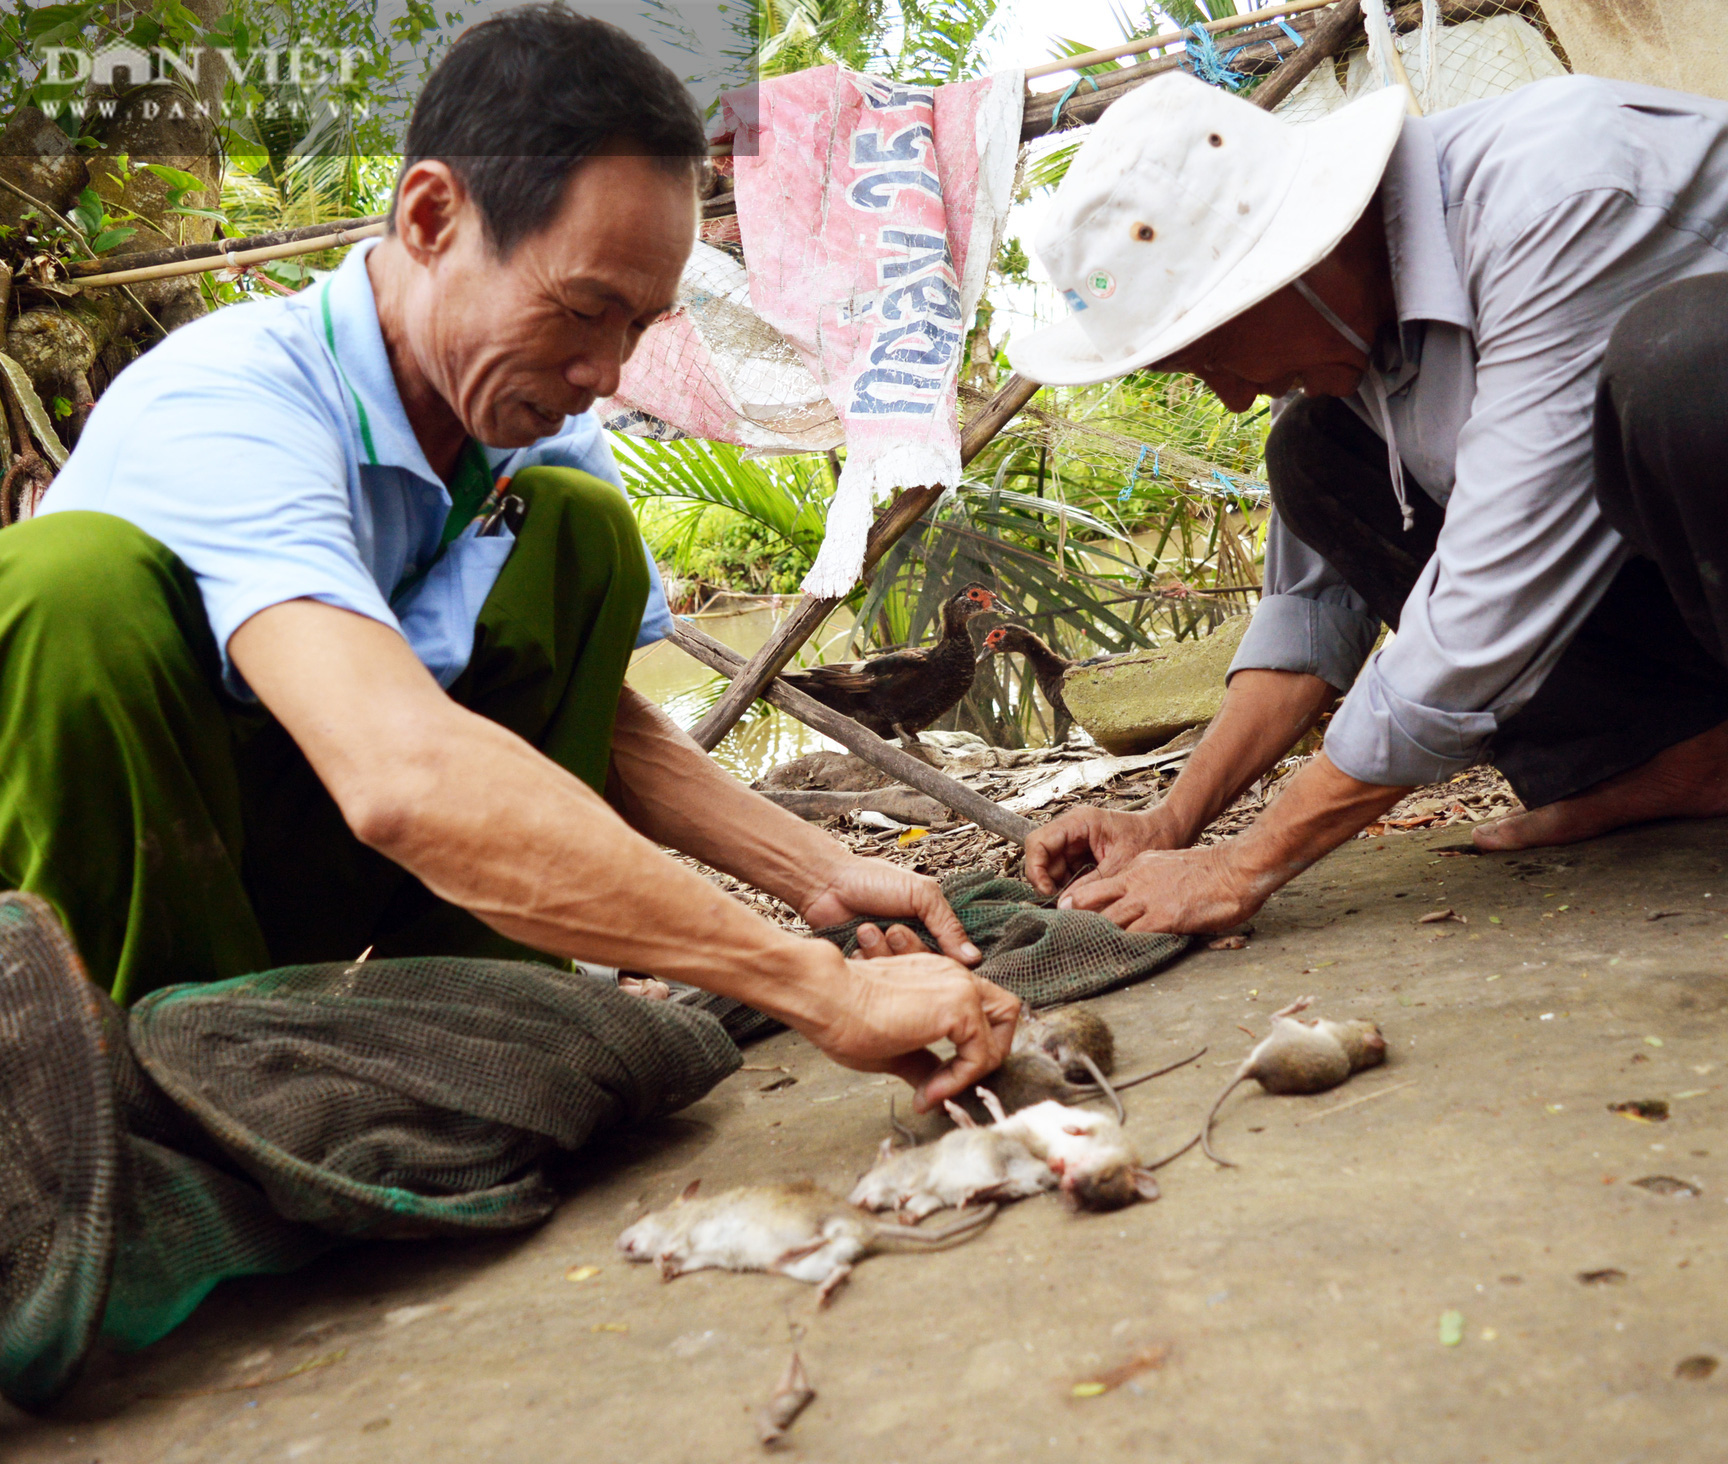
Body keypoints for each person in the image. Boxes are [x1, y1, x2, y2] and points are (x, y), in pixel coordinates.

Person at [0, 5, 1016, 1111]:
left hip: (313, 858)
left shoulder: (535, 427)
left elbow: (611, 735)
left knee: (577, 532)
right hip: (142, 898)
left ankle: (476, 1021)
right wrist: (809, 986)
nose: (603, 368)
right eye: (584, 309)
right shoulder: (229, 404)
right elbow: (400, 780)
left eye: (638, 328)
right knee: (71, 584)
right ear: (433, 215)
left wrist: (819, 877)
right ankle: (167, 1094)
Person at [1012, 72, 1728, 932]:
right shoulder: (1354, 324)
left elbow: (1487, 606)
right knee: (1311, 452)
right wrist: (1171, 822)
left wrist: (1245, 864)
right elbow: (1310, 612)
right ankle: (1672, 756)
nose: (1226, 392)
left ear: (1293, 265)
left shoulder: (1562, 188)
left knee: (1690, 359)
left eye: (1212, 353)